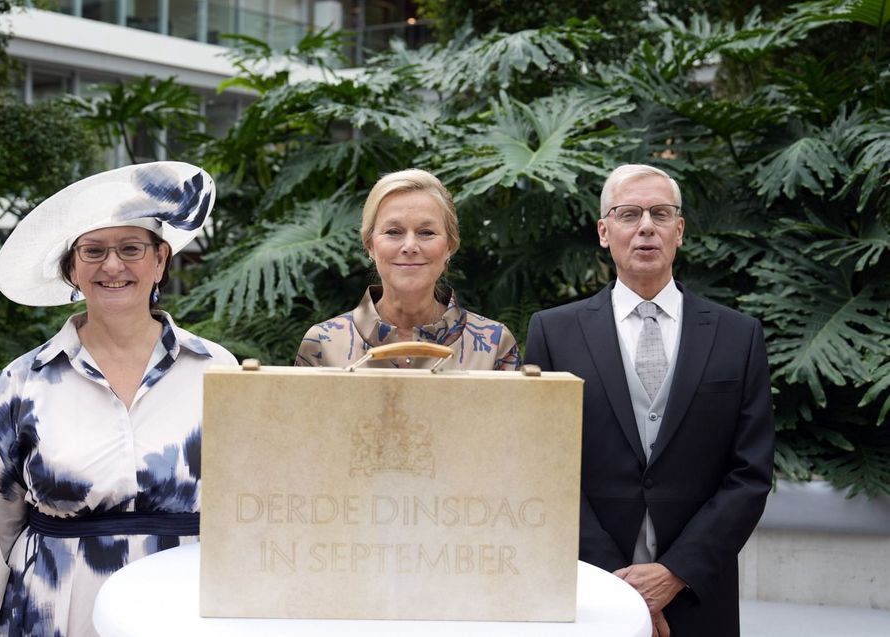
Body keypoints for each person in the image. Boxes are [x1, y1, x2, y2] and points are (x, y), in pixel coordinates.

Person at [0, 162, 238, 637]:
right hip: (53, 613)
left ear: (161, 260)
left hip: (183, 613)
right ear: (72, 270)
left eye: (131, 248)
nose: (113, 265)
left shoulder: (216, 369)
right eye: (93, 251)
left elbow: (253, 508)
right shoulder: (23, 383)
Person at [524, 164, 774, 637]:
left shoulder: (737, 336)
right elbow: (543, 468)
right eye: (628, 213)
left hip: (700, 593)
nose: (645, 227)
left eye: (661, 214)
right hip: (588, 588)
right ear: (603, 231)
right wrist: (621, 586)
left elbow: (750, 473)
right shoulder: (553, 332)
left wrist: (676, 572)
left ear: (679, 231)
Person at [295, 168, 519, 370]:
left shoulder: (495, 345)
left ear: (449, 246)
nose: (410, 246)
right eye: (393, 232)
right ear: (370, 245)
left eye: (426, 232)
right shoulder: (323, 343)